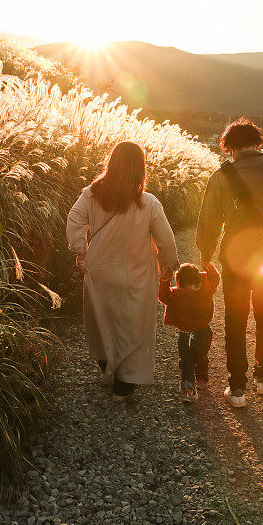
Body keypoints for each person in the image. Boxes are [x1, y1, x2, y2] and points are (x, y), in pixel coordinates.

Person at [196, 118, 263, 408]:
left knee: (236, 318)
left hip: (235, 258)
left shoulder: (221, 176)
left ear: (229, 147)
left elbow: (208, 221)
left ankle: (237, 388)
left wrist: (205, 255)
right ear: (259, 143)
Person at [66, 141, 179, 402]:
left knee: (102, 319)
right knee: (132, 325)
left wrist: (80, 252)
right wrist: (167, 268)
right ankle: (123, 385)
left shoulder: (91, 194)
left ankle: (107, 366)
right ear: (141, 169)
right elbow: (166, 240)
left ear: (111, 163)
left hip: (99, 268)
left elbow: (74, 219)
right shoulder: (148, 202)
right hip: (136, 273)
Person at [158, 262, 220, 403]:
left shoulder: (176, 294)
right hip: (204, 332)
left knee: (186, 362)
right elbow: (215, 279)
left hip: (185, 335)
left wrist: (165, 280)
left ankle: (187, 390)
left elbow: (163, 295)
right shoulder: (206, 291)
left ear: (178, 281)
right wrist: (209, 266)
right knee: (202, 357)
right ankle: (202, 380)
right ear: (198, 279)